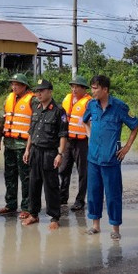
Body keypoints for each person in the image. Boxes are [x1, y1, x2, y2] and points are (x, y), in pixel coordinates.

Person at [82, 75, 138, 240]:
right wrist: (90, 136)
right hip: (93, 158)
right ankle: (95, 225)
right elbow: (84, 121)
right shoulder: (91, 105)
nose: (92, 91)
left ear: (105, 89)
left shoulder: (119, 106)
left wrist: (127, 147)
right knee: (93, 193)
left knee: (113, 194)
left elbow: (135, 125)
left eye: (95, 88)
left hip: (111, 159)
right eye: (92, 88)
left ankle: (115, 228)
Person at [22, 79, 68, 230]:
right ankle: (33, 214)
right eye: (37, 91)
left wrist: (60, 154)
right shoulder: (35, 108)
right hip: (35, 151)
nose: (38, 94)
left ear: (50, 91)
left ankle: (54, 217)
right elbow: (31, 131)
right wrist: (27, 149)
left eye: (41, 91)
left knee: (51, 186)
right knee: (33, 184)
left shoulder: (59, 111)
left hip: (49, 152)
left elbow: (63, 134)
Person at [0, 73, 34, 217]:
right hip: (9, 144)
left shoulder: (32, 100)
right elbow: (3, 119)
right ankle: (10, 205)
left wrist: (30, 147)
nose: (14, 87)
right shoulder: (9, 98)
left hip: (23, 145)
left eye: (17, 84)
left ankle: (26, 207)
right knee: (9, 175)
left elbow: (35, 124)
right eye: (13, 84)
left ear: (24, 86)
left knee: (26, 177)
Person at [59, 75, 92, 211]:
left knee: (82, 172)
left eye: (77, 87)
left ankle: (80, 200)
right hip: (68, 140)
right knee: (63, 169)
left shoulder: (89, 102)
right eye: (72, 87)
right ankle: (62, 197)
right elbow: (61, 117)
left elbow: (92, 122)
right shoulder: (67, 99)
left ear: (84, 89)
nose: (74, 89)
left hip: (82, 142)